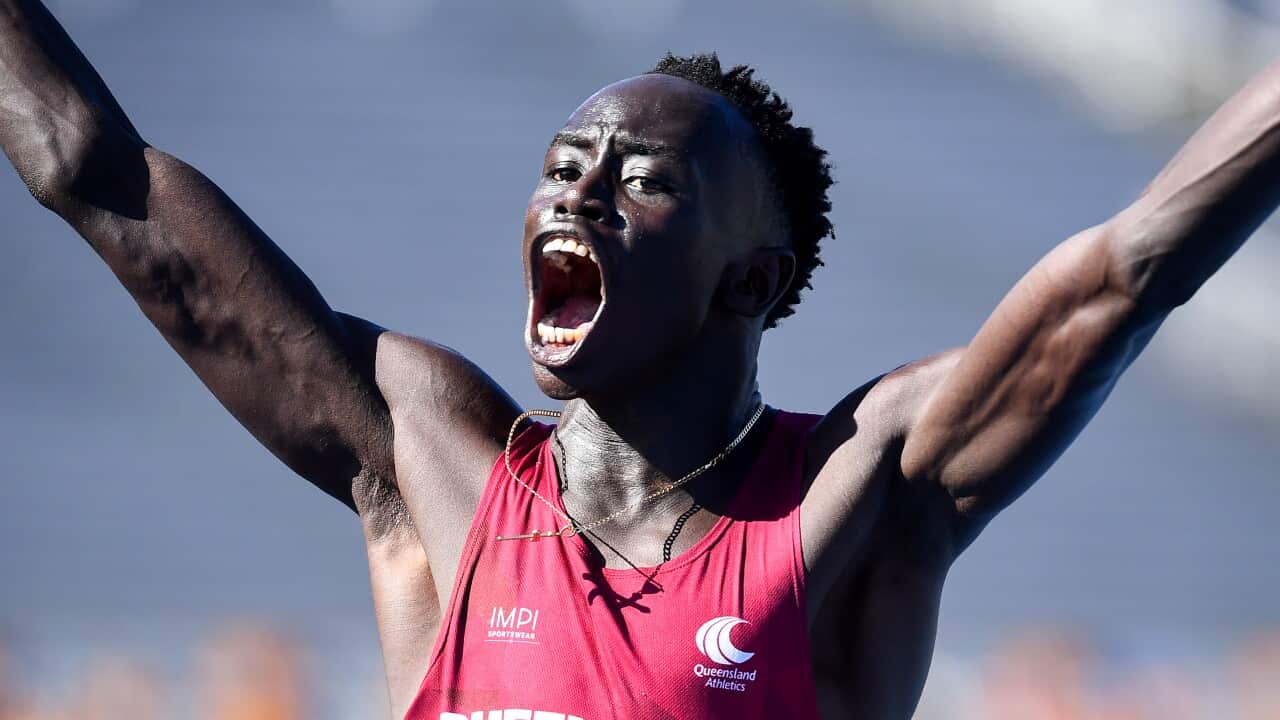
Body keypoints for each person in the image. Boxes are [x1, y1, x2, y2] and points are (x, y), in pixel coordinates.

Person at [1, 1, 1276, 718]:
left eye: (643, 181)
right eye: (562, 169)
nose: (579, 195)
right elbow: (93, 176)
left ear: (751, 280)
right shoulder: (432, 464)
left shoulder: (848, 498)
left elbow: (1117, 279)